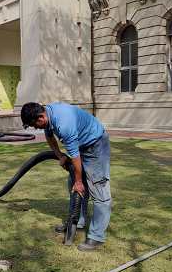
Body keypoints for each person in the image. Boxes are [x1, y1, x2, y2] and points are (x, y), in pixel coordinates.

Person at [21, 102, 112, 251]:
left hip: (96, 145)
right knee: (73, 184)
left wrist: (79, 181)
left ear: (41, 117)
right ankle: (77, 221)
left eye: (35, 125)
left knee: (98, 187)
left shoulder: (64, 124)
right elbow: (50, 137)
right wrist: (59, 155)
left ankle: (97, 237)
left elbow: (75, 157)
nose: (36, 128)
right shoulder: (48, 116)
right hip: (82, 144)